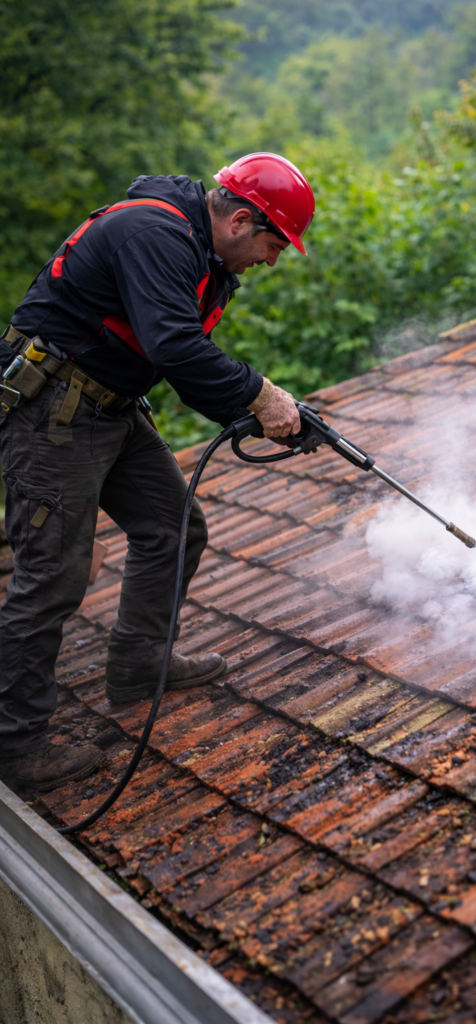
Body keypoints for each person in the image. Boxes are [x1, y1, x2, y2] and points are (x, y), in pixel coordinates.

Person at [0, 153, 315, 792]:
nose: (272, 259)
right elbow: (176, 346)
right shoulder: (155, 233)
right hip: (52, 409)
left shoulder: (202, 254)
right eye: (273, 242)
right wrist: (260, 393)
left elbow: (183, 364)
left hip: (109, 406)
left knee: (174, 528)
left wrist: (264, 410)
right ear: (243, 220)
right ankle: (13, 746)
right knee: (52, 576)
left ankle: (139, 666)